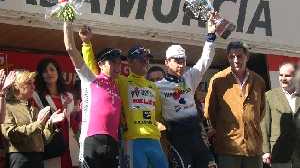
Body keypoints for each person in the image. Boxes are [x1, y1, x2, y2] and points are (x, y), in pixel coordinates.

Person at [79, 27, 168, 168]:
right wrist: (86, 44)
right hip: (133, 139)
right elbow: (94, 70)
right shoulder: (121, 81)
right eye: (141, 60)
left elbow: (157, 114)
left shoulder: (154, 87)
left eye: (147, 60)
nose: (145, 63)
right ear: (131, 62)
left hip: (154, 139)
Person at [155, 17, 217, 168]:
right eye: (176, 60)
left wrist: (210, 35)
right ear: (166, 62)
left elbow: (205, 60)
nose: (181, 64)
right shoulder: (157, 86)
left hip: (197, 137)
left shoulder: (189, 77)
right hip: (177, 139)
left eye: (183, 60)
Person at [64, 22, 123, 168]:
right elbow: (71, 49)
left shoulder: (117, 85)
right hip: (92, 140)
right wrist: (67, 23)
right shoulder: (90, 78)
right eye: (113, 63)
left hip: (113, 142)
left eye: (119, 63)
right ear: (101, 64)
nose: (117, 66)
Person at [204, 41, 266, 168]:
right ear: (228, 58)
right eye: (232, 57)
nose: (236, 60)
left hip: (253, 147)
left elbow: (261, 111)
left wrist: (249, 123)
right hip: (228, 146)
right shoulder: (218, 80)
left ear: (247, 57)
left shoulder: (258, 81)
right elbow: (209, 111)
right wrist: (224, 128)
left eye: (239, 56)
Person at [1, 70, 65, 168]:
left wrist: (51, 123)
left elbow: (42, 140)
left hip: (38, 159)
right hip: (19, 158)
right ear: (16, 86)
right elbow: (11, 134)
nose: (33, 87)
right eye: (29, 83)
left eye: (33, 83)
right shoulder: (7, 106)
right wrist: (38, 124)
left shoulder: (34, 109)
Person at [32, 58, 75, 168]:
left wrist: (75, 112)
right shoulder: (36, 96)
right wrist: (62, 110)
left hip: (68, 145)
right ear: (41, 75)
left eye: (52, 69)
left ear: (58, 72)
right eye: (45, 71)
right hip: (51, 144)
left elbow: (72, 124)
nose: (49, 73)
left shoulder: (68, 96)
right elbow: (39, 122)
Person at [261, 62, 300, 168]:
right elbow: (264, 125)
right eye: (280, 75)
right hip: (279, 152)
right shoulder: (269, 96)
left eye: (287, 75)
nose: (283, 78)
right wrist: (265, 151)